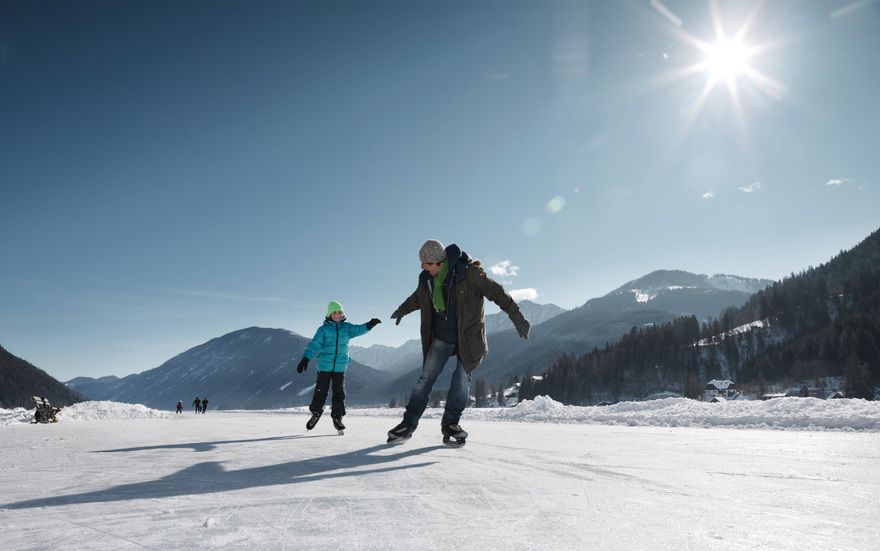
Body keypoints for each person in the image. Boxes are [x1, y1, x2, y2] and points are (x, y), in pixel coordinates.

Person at [386, 240, 530, 445]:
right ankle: (408, 424)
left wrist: (519, 319)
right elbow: (417, 298)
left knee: (462, 378)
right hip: (441, 337)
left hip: (468, 338)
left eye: (425, 262)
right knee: (425, 379)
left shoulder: (470, 274)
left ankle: (451, 424)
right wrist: (402, 309)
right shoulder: (427, 279)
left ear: (438, 262)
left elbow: (499, 294)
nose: (422, 267)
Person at [297, 301, 381, 432]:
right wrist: (306, 358)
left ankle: (337, 417)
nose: (337, 314)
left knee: (339, 393)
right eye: (334, 312)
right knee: (320, 391)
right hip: (324, 366)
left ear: (343, 314)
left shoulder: (346, 328)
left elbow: (358, 329)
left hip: (340, 367)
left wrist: (369, 325)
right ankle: (316, 413)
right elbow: (314, 345)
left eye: (339, 312)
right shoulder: (323, 329)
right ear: (329, 314)